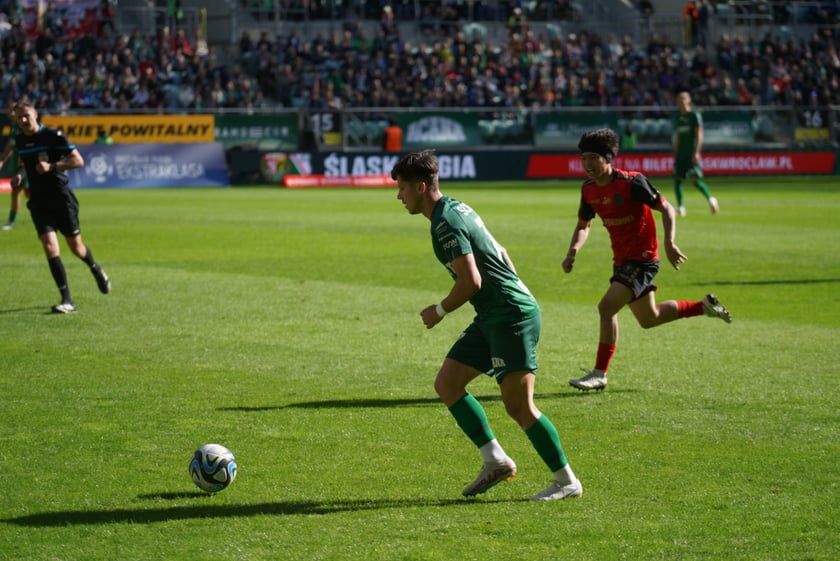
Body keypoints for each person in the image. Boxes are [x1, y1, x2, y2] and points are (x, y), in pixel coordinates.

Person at [391, 150, 582, 501]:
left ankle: (566, 481)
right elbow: (501, 250)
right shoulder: (458, 208)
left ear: (420, 186)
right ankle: (495, 459)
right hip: (494, 314)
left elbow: (471, 282)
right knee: (448, 383)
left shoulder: (445, 222)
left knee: (519, 406)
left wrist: (439, 310)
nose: (398, 196)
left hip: (510, 315)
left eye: (402, 189)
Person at [563, 129, 732, 392]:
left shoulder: (632, 183)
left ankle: (599, 374)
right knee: (649, 318)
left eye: (593, 158)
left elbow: (666, 208)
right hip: (622, 261)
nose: (587, 164)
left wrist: (669, 242)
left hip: (642, 260)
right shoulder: (588, 191)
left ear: (609, 158)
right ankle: (704, 307)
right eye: (584, 158)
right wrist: (573, 251)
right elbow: (583, 225)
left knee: (606, 308)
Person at [12, 101, 111, 313]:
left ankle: (95, 268)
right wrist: (19, 176)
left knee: (77, 248)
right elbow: (24, 164)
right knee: (49, 246)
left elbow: (78, 161)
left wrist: (53, 166)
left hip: (61, 198)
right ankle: (67, 299)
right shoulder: (20, 140)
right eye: (19, 117)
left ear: (35, 114)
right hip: (39, 201)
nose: (23, 120)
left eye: (26, 115)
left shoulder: (53, 136)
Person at [673, 90, 718, 216]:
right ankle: (681, 208)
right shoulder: (678, 118)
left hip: (691, 153)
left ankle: (711, 199)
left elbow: (699, 134)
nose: (680, 102)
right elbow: (677, 137)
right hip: (681, 154)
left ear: (688, 101)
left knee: (695, 180)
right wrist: (676, 151)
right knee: (677, 179)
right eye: (679, 100)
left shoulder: (694, 116)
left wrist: (697, 152)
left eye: (683, 99)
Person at [1, 101, 27, 230]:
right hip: (20, 164)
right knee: (17, 192)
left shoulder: (23, 127)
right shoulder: (14, 127)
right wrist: (2, 161)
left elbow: (28, 145)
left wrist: (23, 164)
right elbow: (11, 146)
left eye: (13, 111)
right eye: (9, 111)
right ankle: (11, 221)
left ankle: (11, 222)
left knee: (20, 192)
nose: (10, 114)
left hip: (26, 164)